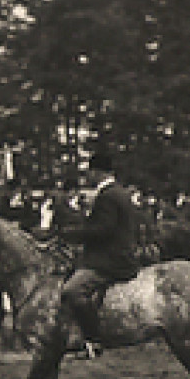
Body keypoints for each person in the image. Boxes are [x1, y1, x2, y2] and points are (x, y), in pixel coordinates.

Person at [59, 149, 140, 359]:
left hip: (111, 259)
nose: (88, 176)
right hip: (116, 253)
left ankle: (92, 340)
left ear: (98, 172)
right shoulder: (119, 192)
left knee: (72, 290)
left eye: (90, 172)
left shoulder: (108, 196)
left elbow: (103, 230)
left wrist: (71, 234)